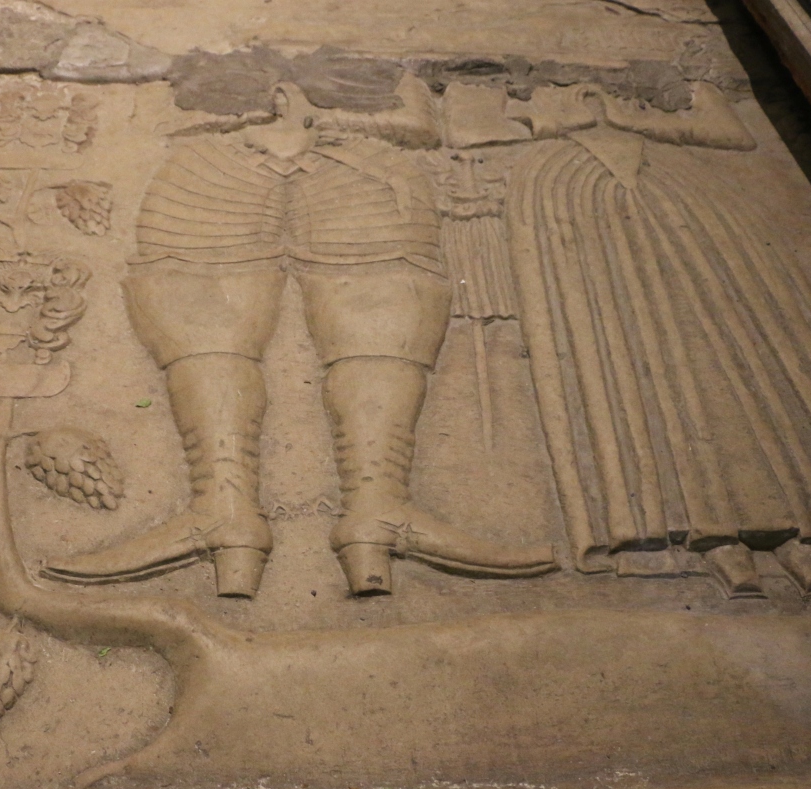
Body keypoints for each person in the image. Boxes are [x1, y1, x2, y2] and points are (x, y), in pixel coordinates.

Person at [43, 63, 554, 596]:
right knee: (199, 314)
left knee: (382, 310)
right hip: (213, 169)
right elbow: (158, 113)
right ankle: (225, 515)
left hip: (363, 167)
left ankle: (377, 514)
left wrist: (325, 116)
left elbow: (420, 116)